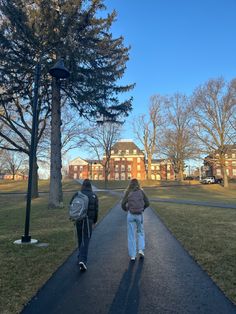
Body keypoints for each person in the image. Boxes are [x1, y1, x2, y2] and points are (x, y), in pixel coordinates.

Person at [70, 179, 98, 271]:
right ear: (90, 186)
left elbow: (71, 204)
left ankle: (79, 256)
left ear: (83, 185)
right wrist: (94, 221)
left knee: (80, 238)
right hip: (88, 221)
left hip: (78, 219)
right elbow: (95, 210)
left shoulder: (77, 194)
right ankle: (83, 260)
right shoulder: (94, 196)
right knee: (86, 239)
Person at [121, 178, 150, 261]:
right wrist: (142, 208)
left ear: (130, 184)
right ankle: (141, 249)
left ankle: (132, 255)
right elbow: (147, 203)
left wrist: (126, 209)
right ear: (138, 184)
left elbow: (122, 204)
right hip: (139, 215)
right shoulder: (141, 192)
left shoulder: (128, 192)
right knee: (140, 232)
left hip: (130, 215)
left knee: (131, 235)